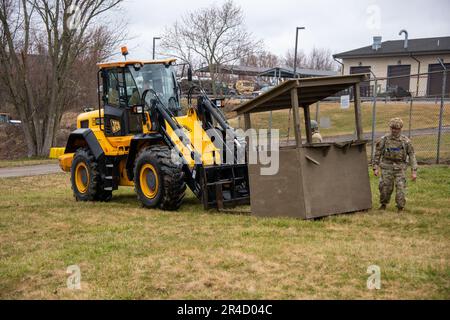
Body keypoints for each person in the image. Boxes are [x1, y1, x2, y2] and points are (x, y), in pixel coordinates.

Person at [373, 117, 418, 212]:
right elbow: (377, 153)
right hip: (387, 166)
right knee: (385, 187)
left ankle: (400, 207)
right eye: (393, 128)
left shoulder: (406, 141)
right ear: (390, 128)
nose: (394, 131)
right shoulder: (384, 140)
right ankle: (383, 204)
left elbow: (412, 155)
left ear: (400, 129)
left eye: (396, 129)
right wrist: (375, 167)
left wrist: (414, 171)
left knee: (401, 188)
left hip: (400, 168)